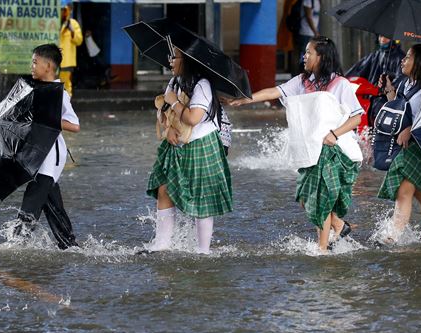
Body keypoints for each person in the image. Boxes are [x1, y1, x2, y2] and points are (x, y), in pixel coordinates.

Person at [229, 36, 363, 253]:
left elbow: (357, 117)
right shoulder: (302, 81)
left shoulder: (340, 84)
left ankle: (322, 250)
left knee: (320, 198)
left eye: (309, 52)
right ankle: (339, 225)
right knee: (304, 198)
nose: (305, 56)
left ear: (321, 57)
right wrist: (246, 99)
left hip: (330, 150)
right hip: (310, 150)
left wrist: (334, 134)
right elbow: (275, 91)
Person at [145, 46, 233, 254]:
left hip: (201, 144)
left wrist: (174, 101)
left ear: (187, 60)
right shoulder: (174, 82)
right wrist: (167, 130)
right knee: (164, 188)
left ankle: (203, 250)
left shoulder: (203, 86)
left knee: (201, 197)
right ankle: (161, 245)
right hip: (176, 144)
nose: (170, 61)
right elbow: (162, 111)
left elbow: (193, 118)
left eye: (174, 57)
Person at [13, 43, 80, 250]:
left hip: (52, 155)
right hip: (38, 152)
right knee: (52, 204)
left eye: (35, 62)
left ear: (49, 66)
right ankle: (70, 246)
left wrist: (50, 118)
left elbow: (75, 125)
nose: (31, 66)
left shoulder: (59, 93)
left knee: (33, 198)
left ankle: (16, 243)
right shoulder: (37, 89)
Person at [377, 44, 421, 243]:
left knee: (404, 190)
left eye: (408, 57)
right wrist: (389, 91)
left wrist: (410, 129)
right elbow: (400, 108)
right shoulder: (405, 84)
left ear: (420, 62)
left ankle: (393, 236)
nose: (402, 60)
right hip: (405, 145)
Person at [59, 0, 82, 96]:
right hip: (53, 59)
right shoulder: (53, 22)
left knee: (66, 85)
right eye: (61, 9)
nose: (63, 12)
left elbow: (79, 41)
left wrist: (72, 31)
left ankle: (66, 106)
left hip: (67, 60)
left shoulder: (73, 23)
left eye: (65, 10)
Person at [294, 0, 320, 74]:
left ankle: (306, 74)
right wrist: (315, 31)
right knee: (304, 56)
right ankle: (299, 74)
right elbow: (308, 16)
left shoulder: (317, 1)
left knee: (310, 55)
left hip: (312, 33)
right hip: (305, 32)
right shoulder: (308, 1)